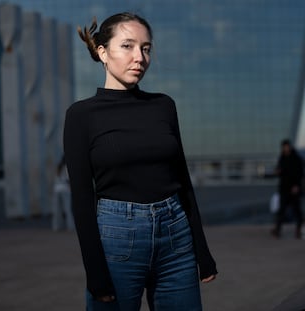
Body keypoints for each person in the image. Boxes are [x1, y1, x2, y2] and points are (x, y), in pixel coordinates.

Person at [63, 12, 217, 310]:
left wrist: (202, 249)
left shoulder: (163, 106)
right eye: (128, 46)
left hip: (176, 238)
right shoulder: (81, 115)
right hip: (117, 238)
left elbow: (182, 180)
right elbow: (82, 198)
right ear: (102, 52)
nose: (140, 57)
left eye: (146, 48)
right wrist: (95, 273)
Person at [271, 139, 305, 239]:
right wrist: (278, 172)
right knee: (281, 210)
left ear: (289, 147)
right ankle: (277, 229)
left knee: (297, 210)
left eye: (286, 146)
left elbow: (300, 173)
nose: (285, 148)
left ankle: (298, 229)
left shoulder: (296, 158)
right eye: (284, 147)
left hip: (294, 188)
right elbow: (280, 171)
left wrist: (297, 185)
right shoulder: (282, 158)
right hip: (284, 188)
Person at [51, 156, 74, 231]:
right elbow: (68, 180)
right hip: (65, 190)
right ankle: (70, 226)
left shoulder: (58, 167)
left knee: (57, 209)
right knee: (68, 209)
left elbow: (56, 178)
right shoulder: (66, 167)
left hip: (57, 189)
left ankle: (56, 226)